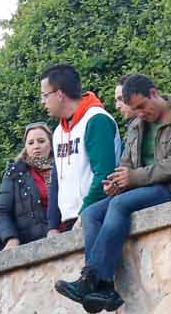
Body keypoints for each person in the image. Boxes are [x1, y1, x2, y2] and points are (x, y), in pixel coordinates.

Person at [58, 73, 171, 313]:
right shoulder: (137, 126)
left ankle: (90, 279)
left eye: (142, 106)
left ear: (154, 93)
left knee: (119, 206)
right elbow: (126, 163)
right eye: (134, 109)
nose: (139, 113)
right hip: (143, 189)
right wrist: (117, 182)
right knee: (91, 214)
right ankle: (104, 287)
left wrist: (134, 178)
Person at [41, 63, 117, 232]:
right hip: (70, 220)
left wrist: (85, 212)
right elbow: (57, 180)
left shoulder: (96, 119)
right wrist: (53, 226)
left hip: (97, 214)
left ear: (59, 94)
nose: (43, 102)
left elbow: (104, 173)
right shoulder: (58, 131)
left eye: (45, 96)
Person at [0, 124, 63, 248]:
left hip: (65, 231)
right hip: (31, 241)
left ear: (51, 144)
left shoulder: (63, 166)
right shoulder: (14, 173)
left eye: (41, 141)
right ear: (25, 147)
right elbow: (2, 212)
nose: (36, 146)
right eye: (30, 143)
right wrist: (11, 238)